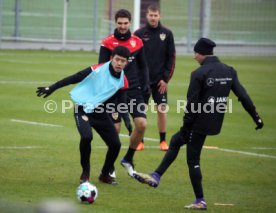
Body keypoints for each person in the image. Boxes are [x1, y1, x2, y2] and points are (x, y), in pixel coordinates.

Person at [132, 38, 264, 210]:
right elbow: (243, 96)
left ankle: (200, 200)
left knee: (192, 158)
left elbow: (191, 105)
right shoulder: (229, 70)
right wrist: (256, 117)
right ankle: (156, 176)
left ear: (201, 53)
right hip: (215, 123)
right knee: (175, 141)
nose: (194, 57)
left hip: (198, 124)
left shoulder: (198, 74)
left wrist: (186, 129)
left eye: (195, 53)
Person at [36, 46, 130, 185]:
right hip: (82, 109)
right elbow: (75, 77)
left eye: (123, 61)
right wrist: (52, 87)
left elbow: (122, 103)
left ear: (126, 63)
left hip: (100, 113)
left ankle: (105, 175)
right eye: (117, 59)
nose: (119, 63)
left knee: (115, 144)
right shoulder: (97, 69)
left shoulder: (123, 80)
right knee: (87, 137)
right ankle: (85, 172)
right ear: (111, 58)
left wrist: (127, 122)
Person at [98, 9, 150, 177]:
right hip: (114, 91)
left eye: (125, 23)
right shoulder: (107, 43)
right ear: (115, 23)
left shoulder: (138, 42)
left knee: (141, 124)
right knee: (115, 129)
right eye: (119, 23)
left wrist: (146, 84)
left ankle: (128, 158)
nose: (122, 26)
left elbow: (143, 66)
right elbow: (101, 67)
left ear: (130, 23)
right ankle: (110, 167)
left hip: (134, 90)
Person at [134, 4, 176, 151]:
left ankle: (163, 141)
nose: (153, 18)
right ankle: (140, 141)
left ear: (159, 16)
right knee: (141, 111)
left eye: (155, 15)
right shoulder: (139, 33)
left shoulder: (167, 34)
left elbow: (171, 58)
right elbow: (134, 58)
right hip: (142, 81)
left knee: (162, 110)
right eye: (150, 15)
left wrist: (165, 79)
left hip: (160, 81)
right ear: (147, 16)